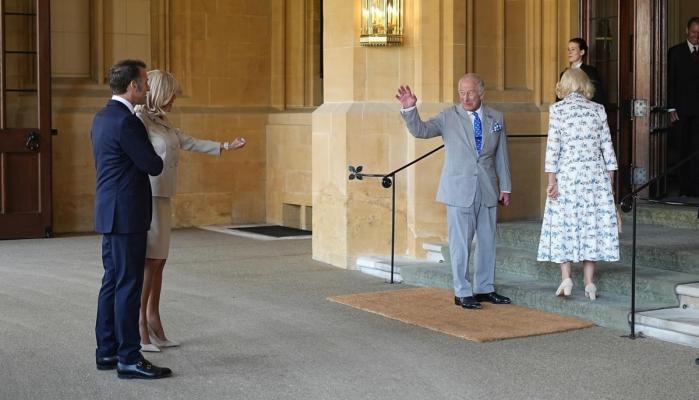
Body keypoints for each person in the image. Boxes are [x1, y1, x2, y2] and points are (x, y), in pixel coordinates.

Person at [134, 70, 246, 352]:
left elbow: (187, 141)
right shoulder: (139, 118)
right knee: (149, 262)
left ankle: (153, 317)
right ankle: (139, 324)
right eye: (172, 93)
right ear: (160, 92)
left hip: (164, 196)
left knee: (160, 261)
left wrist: (225, 146)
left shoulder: (162, 120)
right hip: (148, 196)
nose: (174, 99)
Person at [396, 73, 512, 310]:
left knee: (487, 241)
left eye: (470, 93)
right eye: (461, 93)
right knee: (460, 244)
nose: (465, 97)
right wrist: (410, 109)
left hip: (487, 188)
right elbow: (421, 130)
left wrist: (505, 186)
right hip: (459, 190)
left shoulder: (496, 117)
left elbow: (502, 155)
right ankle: (462, 291)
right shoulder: (448, 116)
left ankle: (485, 288)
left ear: (481, 93)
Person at [91, 59, 171, 379]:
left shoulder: (101, 117)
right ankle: (128, 358)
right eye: (145, 81)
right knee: (128, 284)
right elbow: (153, 165)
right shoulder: (128, 122)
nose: (148, 87)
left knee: (112, 281)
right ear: (133, 86)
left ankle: (106, 351)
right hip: (127, 215)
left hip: (109, 211)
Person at [537, 68, 619, 301]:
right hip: (595, 176)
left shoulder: (558, 110)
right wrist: (610, 183)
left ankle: (566, 278)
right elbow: (607, 147)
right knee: (591, 226)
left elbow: (553, 148)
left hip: (568, 176)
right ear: (585, 86)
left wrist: (551, 180)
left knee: (565, 225)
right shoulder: (598, 109)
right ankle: (589, 282)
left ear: (564, 85)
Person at [667, 17, 699, 197]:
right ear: (687, 31)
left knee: (696, 148)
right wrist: (671, 108)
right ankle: (684, 187)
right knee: (683, 147)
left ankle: (696, 186)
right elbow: (670, 81)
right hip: (681, 110)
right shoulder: (675, 52)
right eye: (693, 32)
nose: (696, 36)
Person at [557, 38, 607, 105]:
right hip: (566, 109)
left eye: (573, 49)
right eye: (568, 49)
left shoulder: (590, 71)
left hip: (586, 109)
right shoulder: (564, 73)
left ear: (582, 52)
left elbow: (598, 96)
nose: (569, 52)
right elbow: (559, 96)